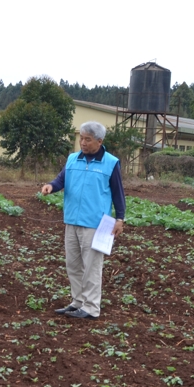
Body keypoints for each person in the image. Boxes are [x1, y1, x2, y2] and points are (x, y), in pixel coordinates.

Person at [40, 121, 126, 320]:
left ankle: (91, 308)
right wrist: (51, 186)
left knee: (91, 268)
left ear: (99, 141)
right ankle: (78, 302)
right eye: (81, 138)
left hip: (96, 224)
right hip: (72, 220)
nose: (83, 143)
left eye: (88, 139)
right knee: (73, 265)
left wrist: (120, 218)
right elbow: (61, 179)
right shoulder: (72, 159)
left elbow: (118, 193)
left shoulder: (110, 163)